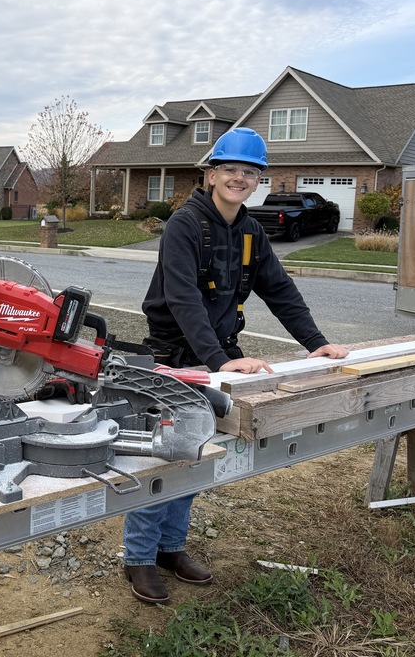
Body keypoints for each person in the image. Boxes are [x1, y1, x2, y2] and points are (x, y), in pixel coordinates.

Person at [124, 127, 349, 604]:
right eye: (230, 169)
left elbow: (281, 291)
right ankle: (139, 558)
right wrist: (222, 361)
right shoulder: (184, 226)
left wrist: (317, 343)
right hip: (176, 361)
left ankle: (170, 549)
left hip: (217, 359)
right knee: (164, 455)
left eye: (250, 172)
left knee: (197, 452)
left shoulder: (251, 231)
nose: (239, 178)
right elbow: (184, 300)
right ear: (211, 174)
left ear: (258, 180)